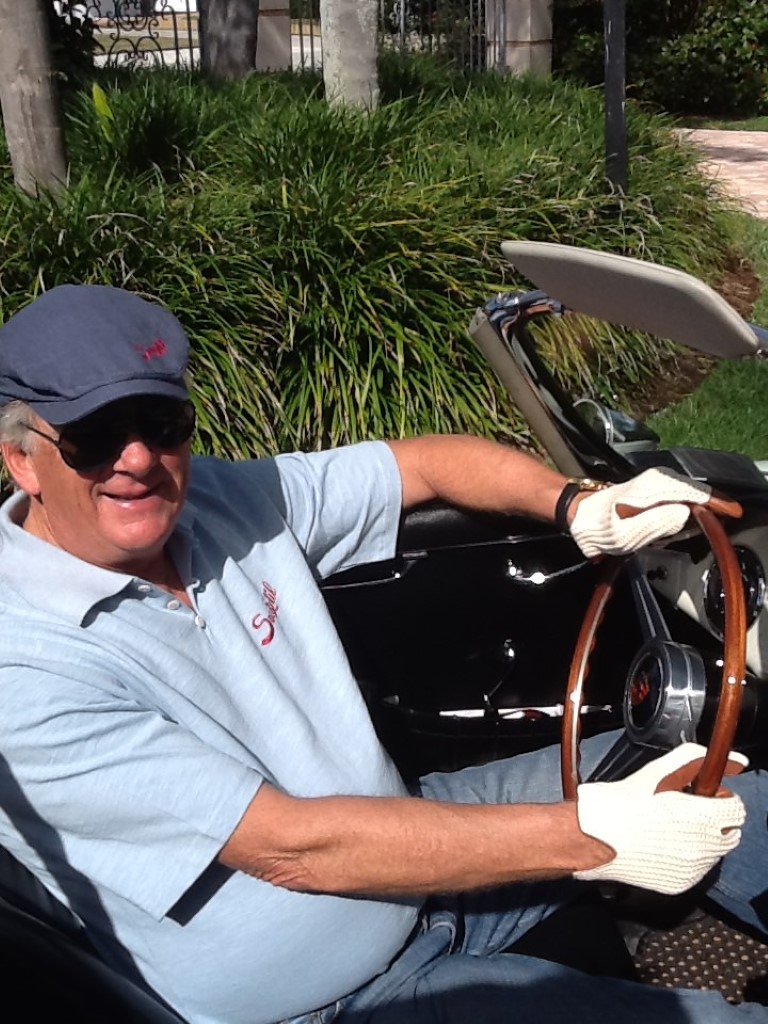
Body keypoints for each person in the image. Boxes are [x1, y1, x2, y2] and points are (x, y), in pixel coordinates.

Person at [0, 283, 763, 1024]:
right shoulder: (22, 671)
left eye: (162, 423)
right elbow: (294, 850)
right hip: (332, 998)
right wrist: (600, 835)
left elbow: (422, 465)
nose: (138, 459)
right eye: (95, 437)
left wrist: (579, 505)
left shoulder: (224, 503)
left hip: (418, 834)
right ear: (23, 460)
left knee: (724, 784)